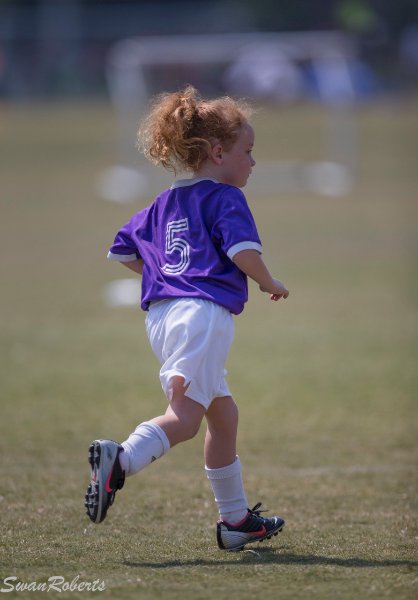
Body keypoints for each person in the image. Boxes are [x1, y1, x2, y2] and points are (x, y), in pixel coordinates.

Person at [85, 85, 289, 552]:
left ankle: (235, 519)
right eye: (248, 152)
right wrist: (269, 282)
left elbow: (121, 250)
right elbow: (243, 252)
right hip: (202, 315)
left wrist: (163, 277)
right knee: (186, 418)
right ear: (218, 152)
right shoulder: (225, 199)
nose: (253, 163)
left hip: (163, 316)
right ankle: (122, 460)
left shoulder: (161, 204)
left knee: (224, 414)